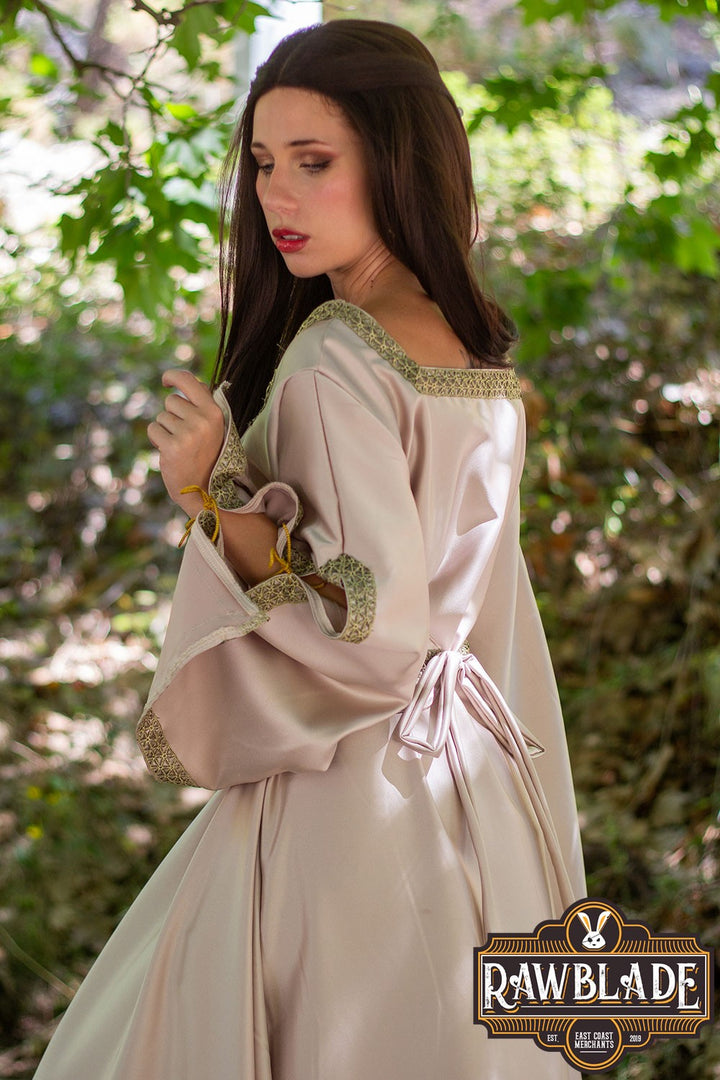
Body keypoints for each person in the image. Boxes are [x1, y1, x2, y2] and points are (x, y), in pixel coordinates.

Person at [34, 19, 585, 1080]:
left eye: (314, 162)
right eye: (262, 164)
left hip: (356, 802)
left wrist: (208, 491)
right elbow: (475, 608)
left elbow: (366, 632)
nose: (276, 197)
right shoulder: (470, 343)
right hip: (475, 777)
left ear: (397, 161)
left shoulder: (337, 358)